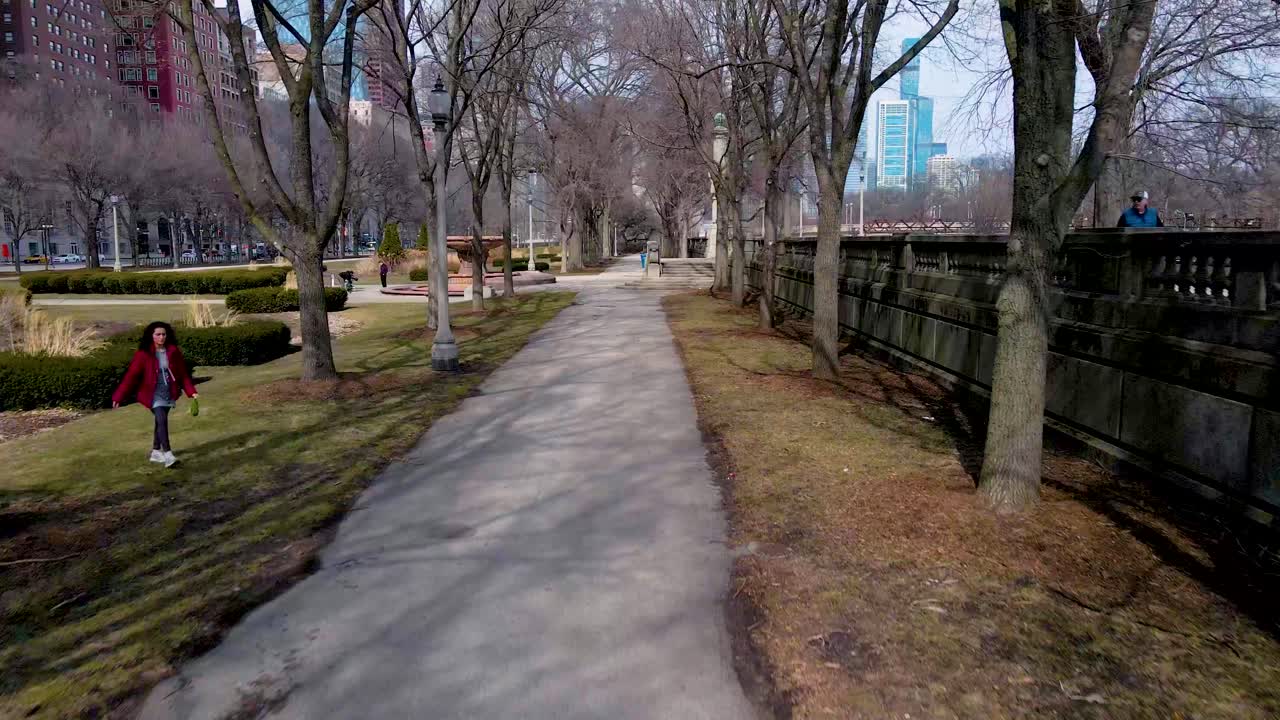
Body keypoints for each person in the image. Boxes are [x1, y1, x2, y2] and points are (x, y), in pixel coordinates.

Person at [111, 321, 198, 468]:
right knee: (162, 419)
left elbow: (183, 374)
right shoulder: (143, 355)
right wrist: (118, 396)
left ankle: (156, 452)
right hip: (152, 394)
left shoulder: (173, 352)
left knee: (160, 421)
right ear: (151, 336)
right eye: (158, 334)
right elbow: (131, 376)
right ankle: (168, 454)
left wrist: (191, 392)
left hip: (168, 391)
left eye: (164, 334)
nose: (161, 337)